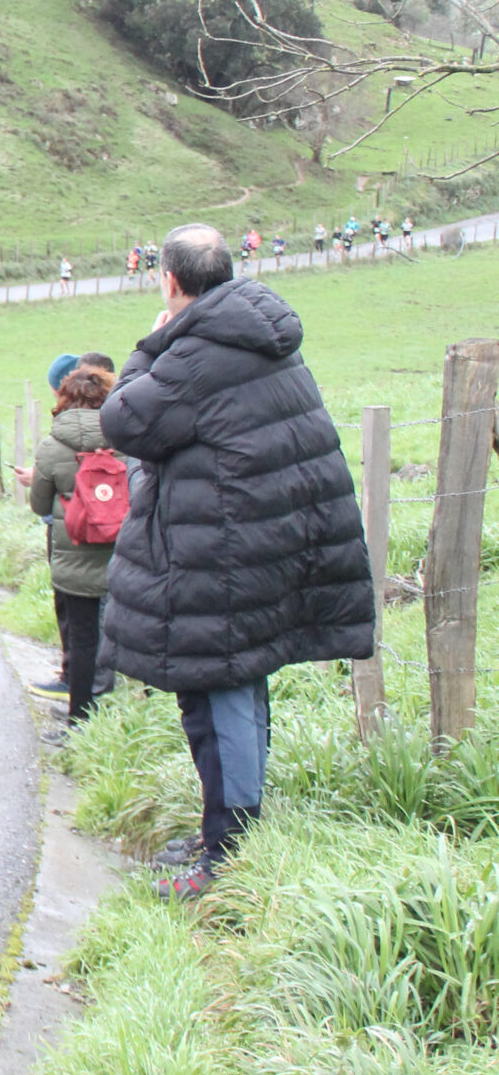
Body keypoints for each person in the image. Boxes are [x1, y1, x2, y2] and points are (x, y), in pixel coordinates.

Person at [98, 224, 372, 898]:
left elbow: (124, 420)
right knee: (241, 684)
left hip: (222, 552)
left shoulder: (195, 353)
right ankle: (227, 833)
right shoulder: (261, 331)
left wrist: (151, 344)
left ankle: (225, 859)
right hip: (268, 541)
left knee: (217, 693)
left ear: (169, 280)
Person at [21, 366, 117, 730]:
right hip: (119, 552)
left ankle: (80, 720)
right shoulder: (124, 440)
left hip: (72, 553)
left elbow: (39, 505)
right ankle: (128, 709)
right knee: (124, 630)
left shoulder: (52, 445)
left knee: (81, 638)